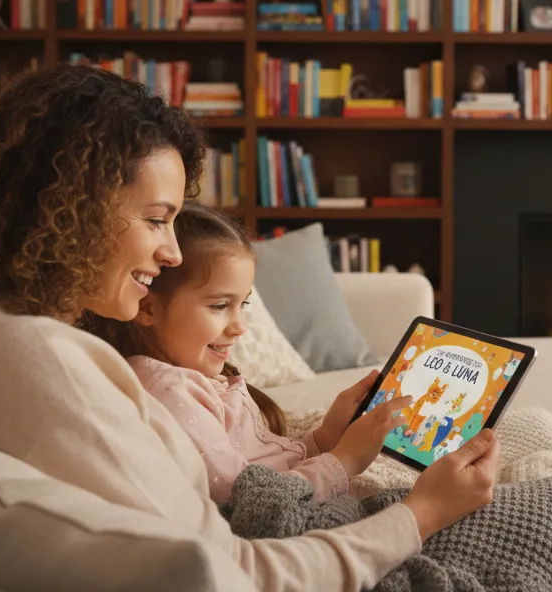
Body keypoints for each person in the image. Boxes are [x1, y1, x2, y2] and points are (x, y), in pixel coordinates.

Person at [0, 63, 552, 592]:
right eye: (156, 219)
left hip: (325, 537)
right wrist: (416, 514)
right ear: (69, 209)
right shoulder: (32, 358)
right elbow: (233, 565)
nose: (167, 252)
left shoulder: (20, 337)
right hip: (340, 562)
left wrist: (341, 454)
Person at [96, 202, 404, 504]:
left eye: (243, 304)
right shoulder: (169, 392)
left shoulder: (195, 380)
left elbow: (267, 465)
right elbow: (247, 501)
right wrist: (344, 461)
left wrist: (325, 437)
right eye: (220, 306)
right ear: (147, 307)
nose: (240, 327)